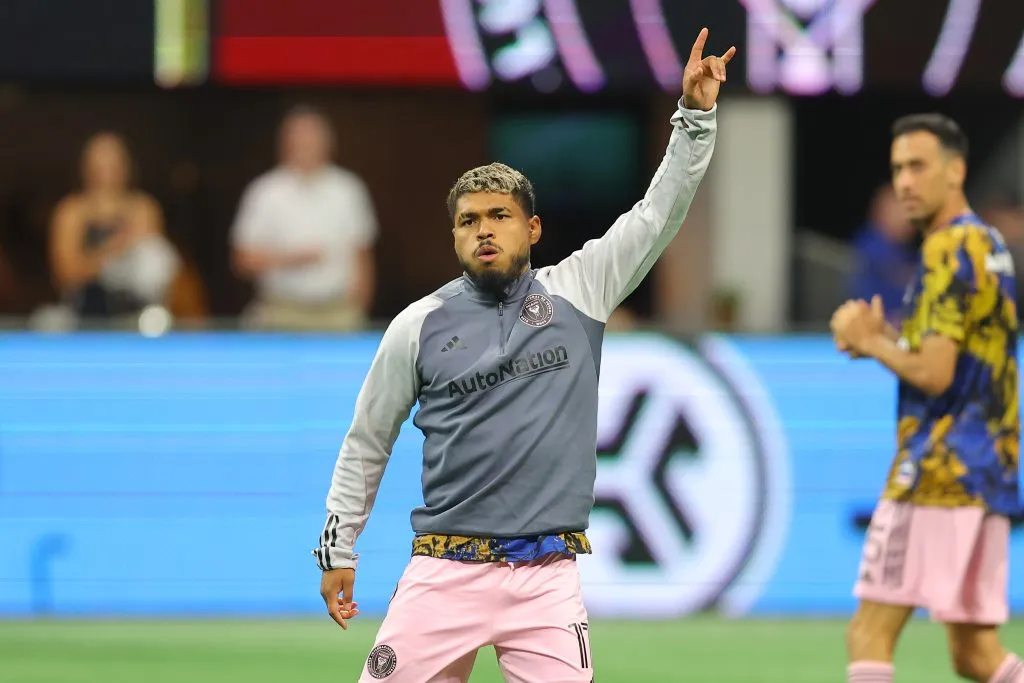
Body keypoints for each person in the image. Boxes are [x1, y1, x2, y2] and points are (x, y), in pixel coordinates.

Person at [312, 28, 733, 683]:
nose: (484, 229)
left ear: (531, 229)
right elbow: (368, 440)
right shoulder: (417, 326)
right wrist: (338, 545)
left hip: (545, 580)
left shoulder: (582, 289)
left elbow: (656, 216)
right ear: (453, 236)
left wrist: (695, 118)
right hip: (443, 572)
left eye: (500, 216)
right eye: (468, 219)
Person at [830, 114, 1022, 683]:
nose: (905, 183)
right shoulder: (988, 244)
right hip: (990, 471)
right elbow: (959, 364)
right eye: (897, 171)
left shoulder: (945, 249)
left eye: (918, 166)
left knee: (869, 632)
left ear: (956, 170)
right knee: (975, 655)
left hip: (938, 469)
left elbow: (936, 376)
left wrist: (869, 344)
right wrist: (889, 339)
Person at [230, 104, 378, 332]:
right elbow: (242, 260)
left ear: (327, 141)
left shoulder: (348, 190)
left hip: (337, 313)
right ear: (284, 142)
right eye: (298, 136)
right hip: (280, 312)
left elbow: (363, 255)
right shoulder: (264, 191)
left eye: (312, 136)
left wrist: (359, 310)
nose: (305, 143)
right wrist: (290, 259)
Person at [49, 132, 180, 324]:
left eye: (113, 163)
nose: (107, 171)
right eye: (99, 164)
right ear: (86, 167)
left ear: (127, 167)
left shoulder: (143, 207)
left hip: (136, 316)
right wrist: (114, 249)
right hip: (84, 316)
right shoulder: (71, 211)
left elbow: (156, 271)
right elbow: (66, 273)